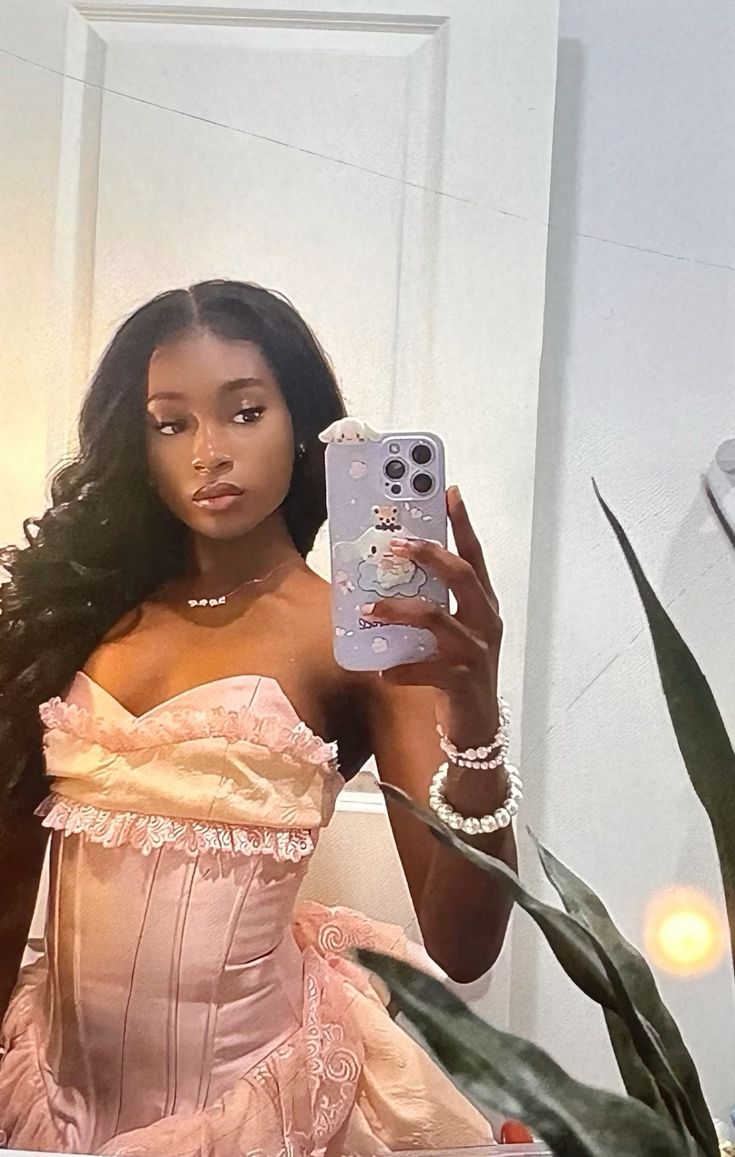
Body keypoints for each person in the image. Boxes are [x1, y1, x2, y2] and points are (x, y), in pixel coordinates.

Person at [0, 280, 518, 1156]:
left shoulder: (357, 638)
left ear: (301, 423)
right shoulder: (75, 616)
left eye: (245, 412)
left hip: (259, 1114)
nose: (209, 452)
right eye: (171, 423)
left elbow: (463, 944)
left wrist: (472, 716)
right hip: (49, 1103)